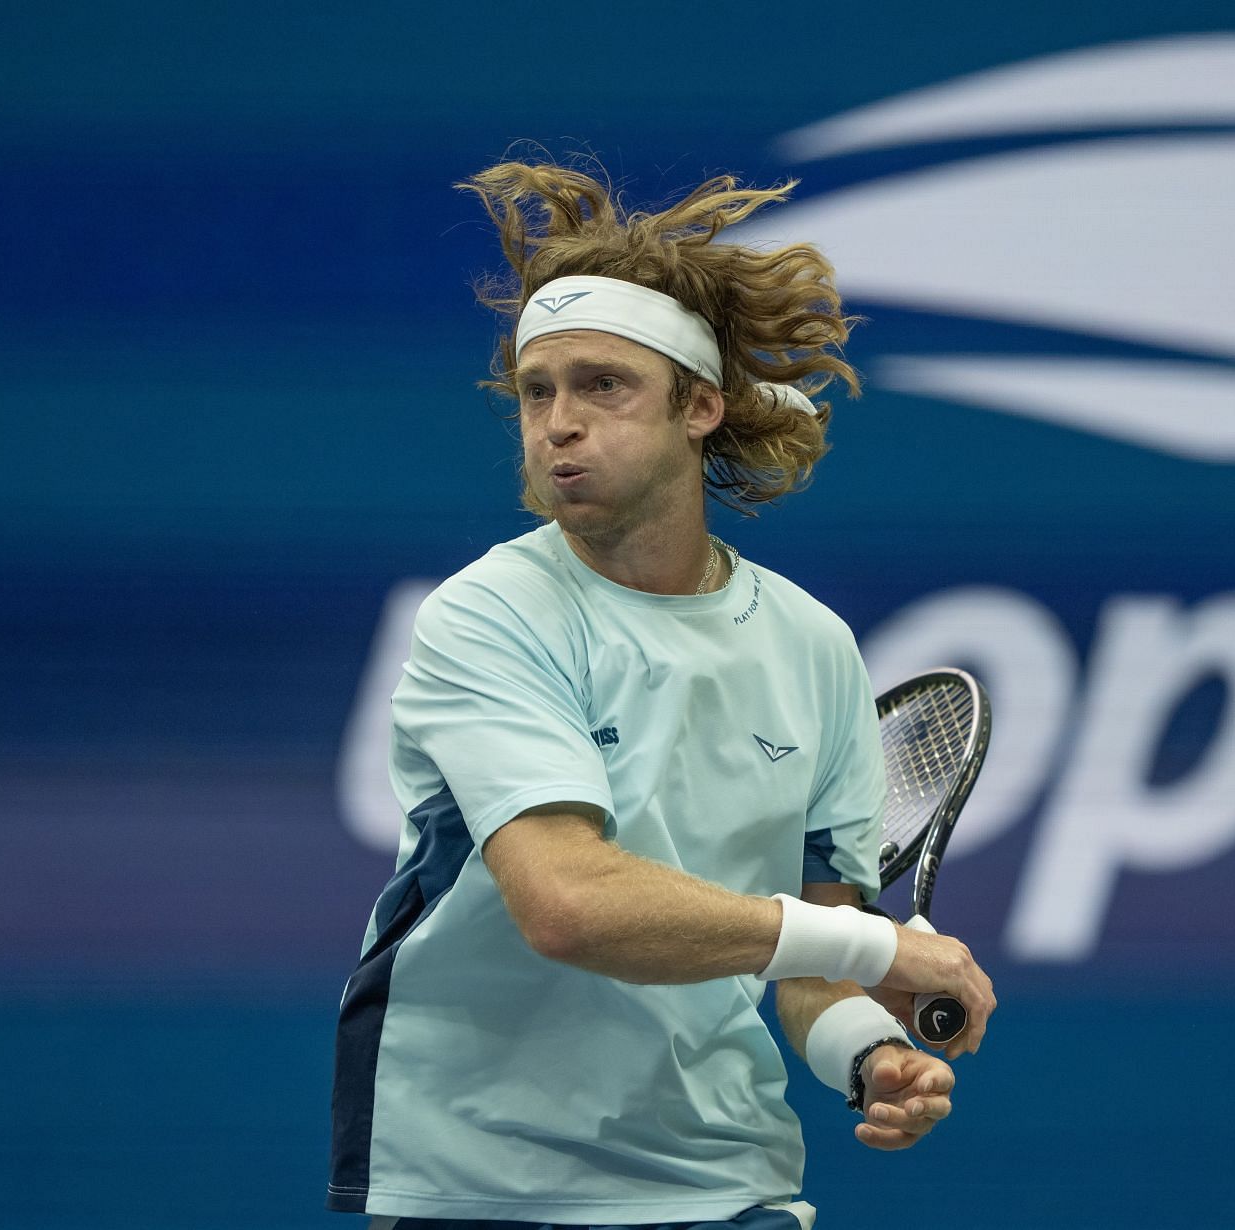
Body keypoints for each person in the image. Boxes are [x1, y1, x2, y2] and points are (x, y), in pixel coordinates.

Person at [327, 159, 996, 1230]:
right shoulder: (486, 616)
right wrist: (879, 952)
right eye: (537, 391)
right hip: (485, 1185)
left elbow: (809, 967)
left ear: (699, 406)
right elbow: (570, 904)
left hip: (726, 1185)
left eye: (602, 385)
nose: (558, 423)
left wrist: (868, 1054)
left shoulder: (813, 645)